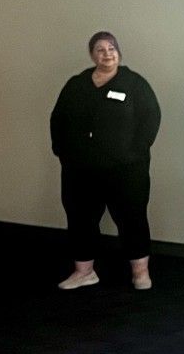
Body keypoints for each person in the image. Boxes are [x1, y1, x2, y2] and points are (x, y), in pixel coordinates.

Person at [50, 32, 161, 291]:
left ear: (119, 53)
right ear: (92, 55)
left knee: (132, 218)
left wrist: (134, 152)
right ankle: (84, 272)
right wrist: (63, 152)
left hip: (126, 170)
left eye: (111, 48)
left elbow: (151, 118)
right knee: (80, 218)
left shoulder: (134, 84)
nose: (107, 53)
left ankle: (140, 273)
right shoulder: (76, 84)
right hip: (80, 170)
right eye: (100, 49)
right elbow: (58, 119)